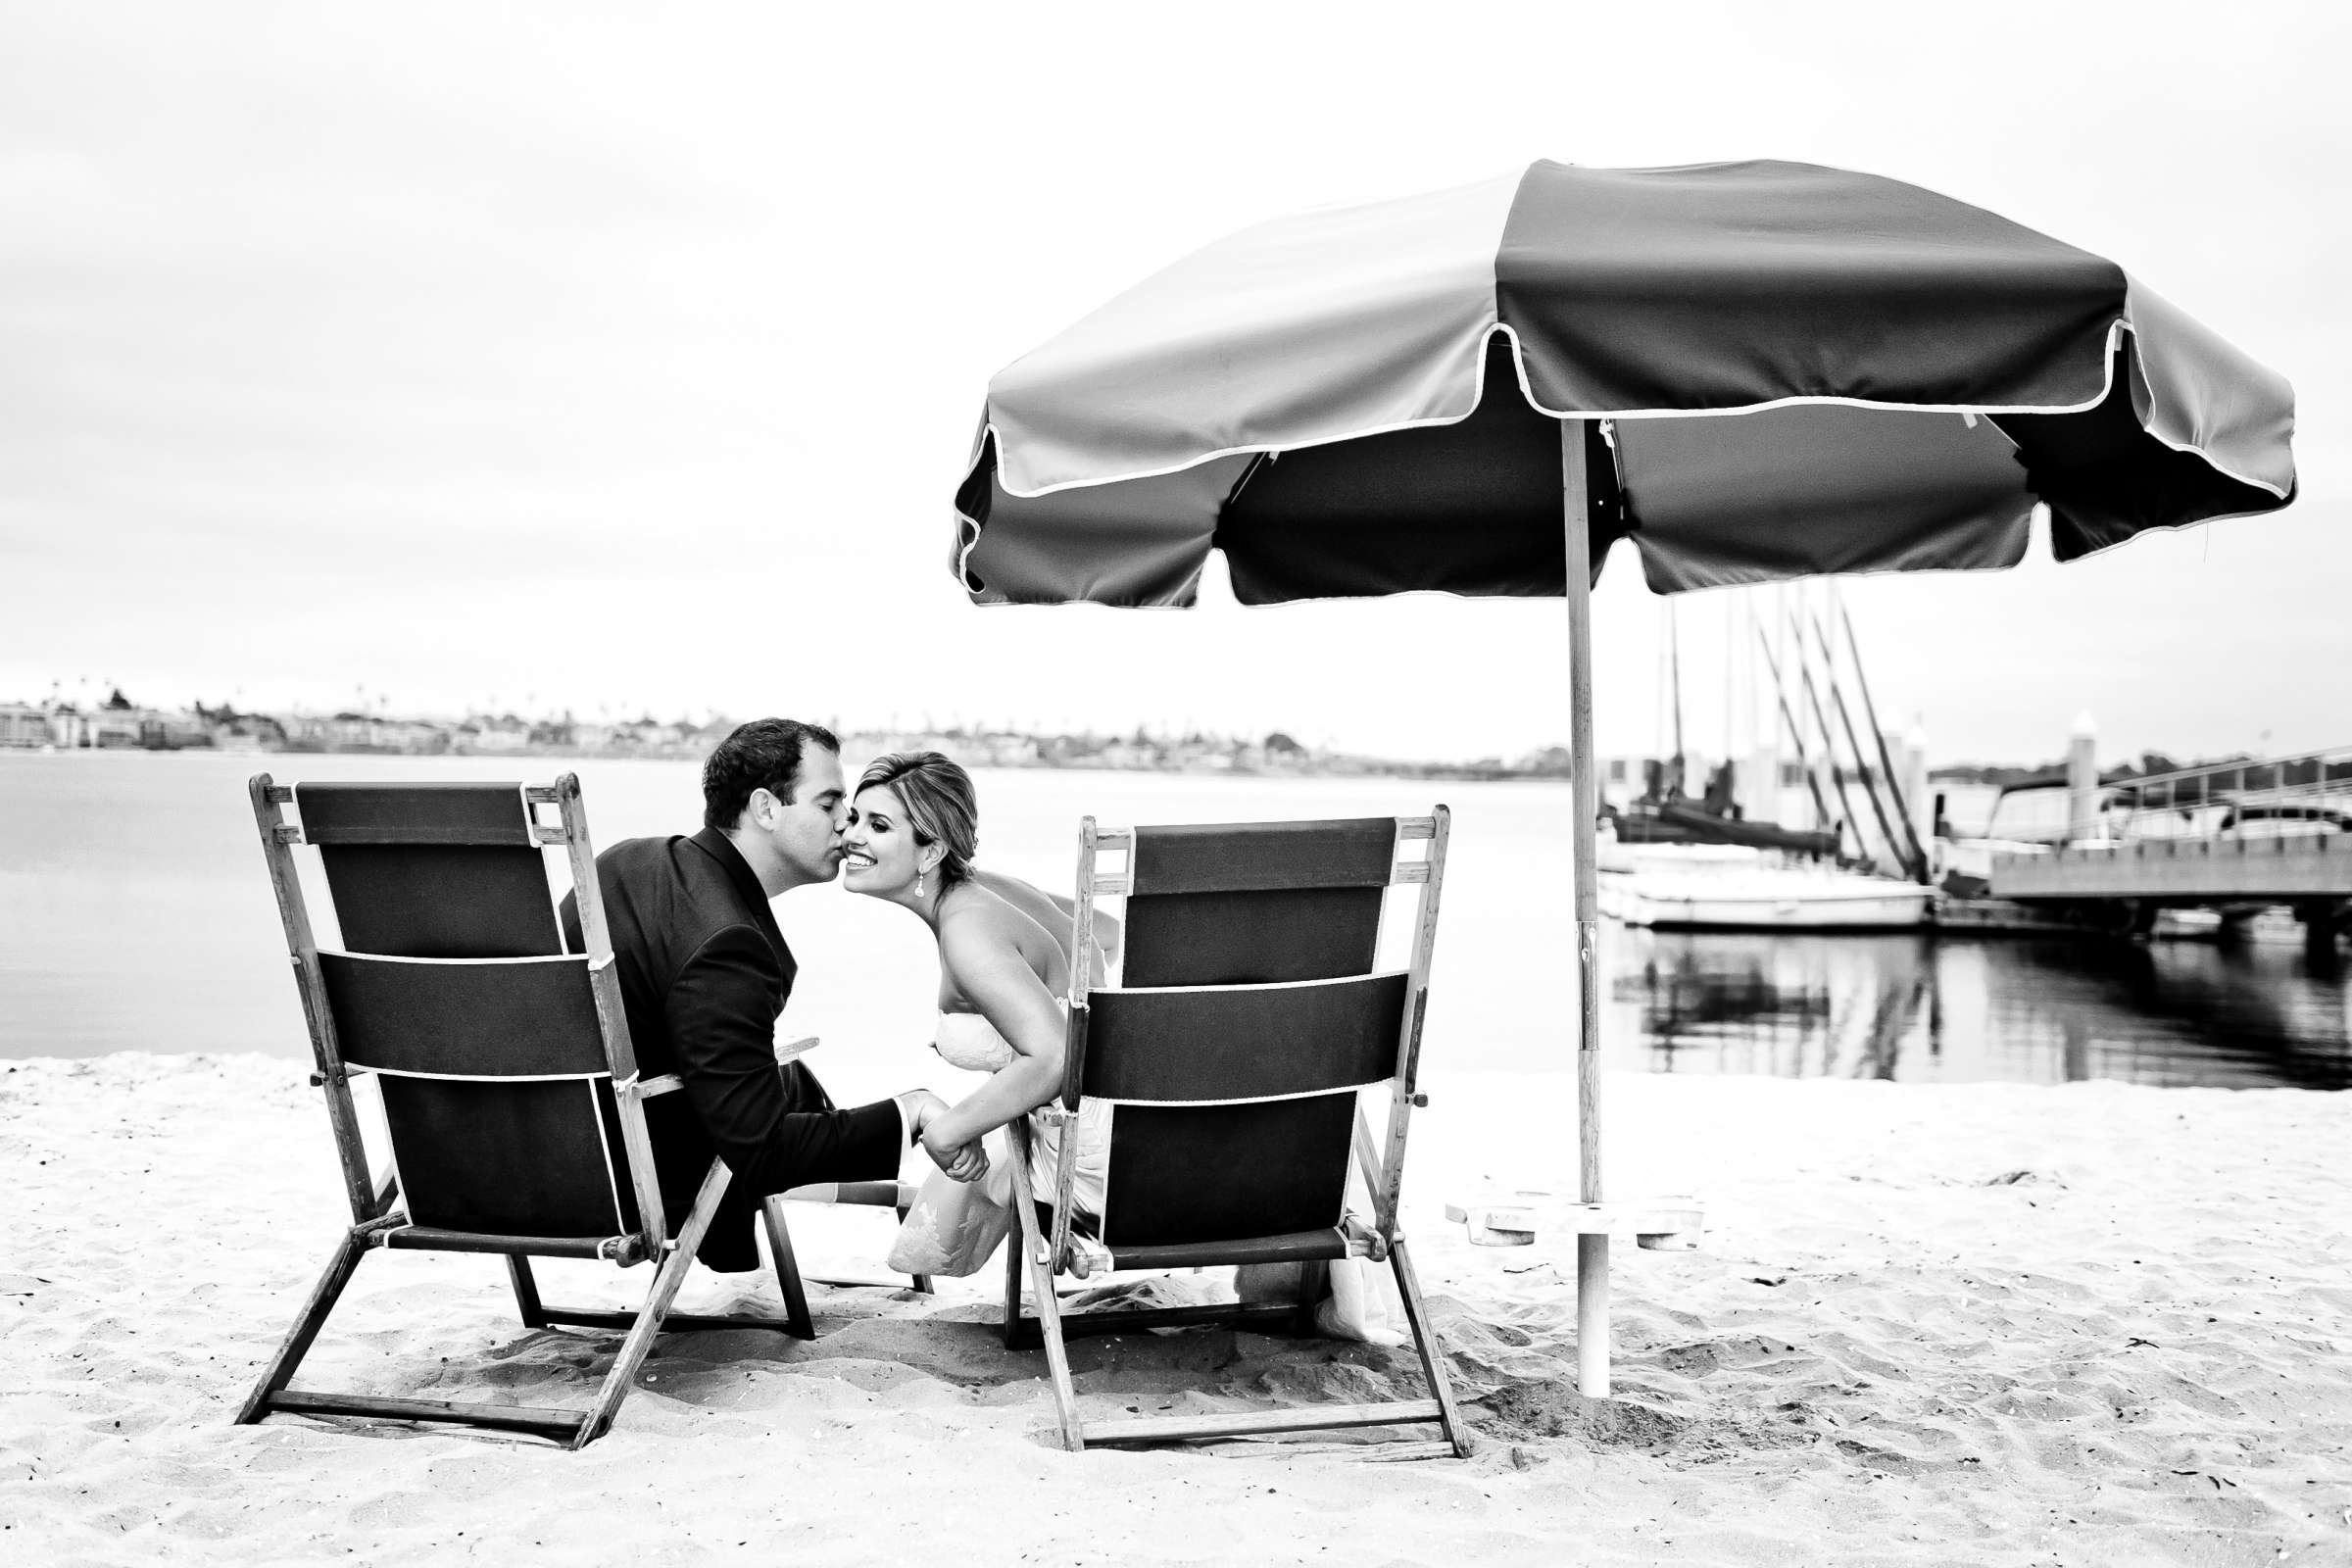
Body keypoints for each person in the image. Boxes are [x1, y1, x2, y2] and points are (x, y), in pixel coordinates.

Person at [559, 718, 965, 1275]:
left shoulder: (620, 863)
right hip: (632, 1181)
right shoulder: (730, 944)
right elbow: (761, 1147)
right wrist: (909, 1112)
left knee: (786, 1074)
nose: (847, 822)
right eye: (829, 804)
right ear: (766, 809)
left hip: (536, 1160)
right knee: (788, 1090)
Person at [839, 751, 1117, 1275]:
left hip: (1089, 1159)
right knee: (986, 1133)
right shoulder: (986, 889)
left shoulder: (969, 928)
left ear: (932, 852)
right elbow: (1106, 933)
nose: (851, 836)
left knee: (969, 1140)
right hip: (1121, 1119)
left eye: (877, 825)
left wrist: (946, 1133)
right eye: (854, 818)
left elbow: (1057, 1054)